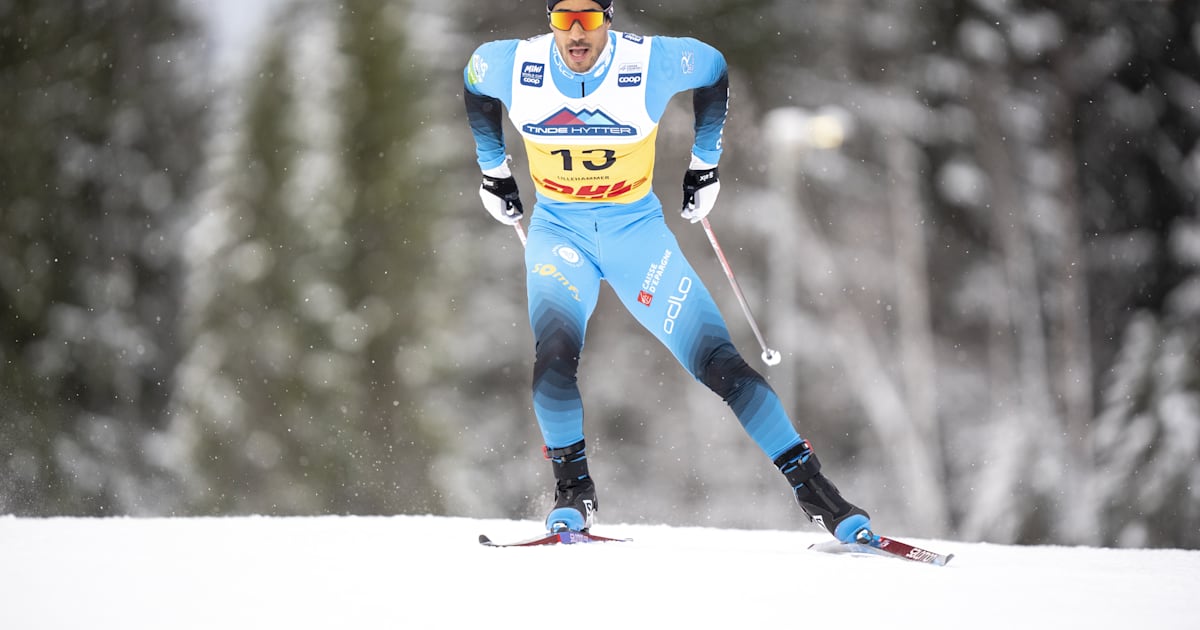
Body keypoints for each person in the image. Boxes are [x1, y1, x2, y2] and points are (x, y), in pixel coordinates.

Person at [462, 0, 872, 543]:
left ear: (609, 16)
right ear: (549, 18)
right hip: (560, 236)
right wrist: (494, 172)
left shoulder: (649, 63)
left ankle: (819, 495)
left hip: (637, 236)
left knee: (720, 365)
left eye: (589, 17)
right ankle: (573, 494)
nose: (577, 32)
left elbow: (715, 70)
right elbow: (474, 83)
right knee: (554, 360)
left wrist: (705, 163)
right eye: (565, 18)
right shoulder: (514, 65)